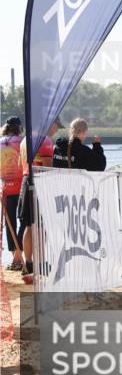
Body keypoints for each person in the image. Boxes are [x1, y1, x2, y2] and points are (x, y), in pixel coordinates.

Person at [18, 117, 64, 281]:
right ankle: (41, 263)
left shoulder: (25, 139)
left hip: (25, 181)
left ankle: (29, 262)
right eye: (56, 126)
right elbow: (47, 166)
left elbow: (21, 165)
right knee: (40, 225)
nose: (56, 130)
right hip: (39, 182)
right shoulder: (45, 140)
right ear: (50, 124)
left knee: (29, 225)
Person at [1, 117, 24, 270]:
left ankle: (13, 256)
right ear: (18, 128)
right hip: (21, 187)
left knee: (10, 224)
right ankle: (18, 254)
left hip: (5, 188)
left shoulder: (1, 142)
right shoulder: (22, 142)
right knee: (24, 222)